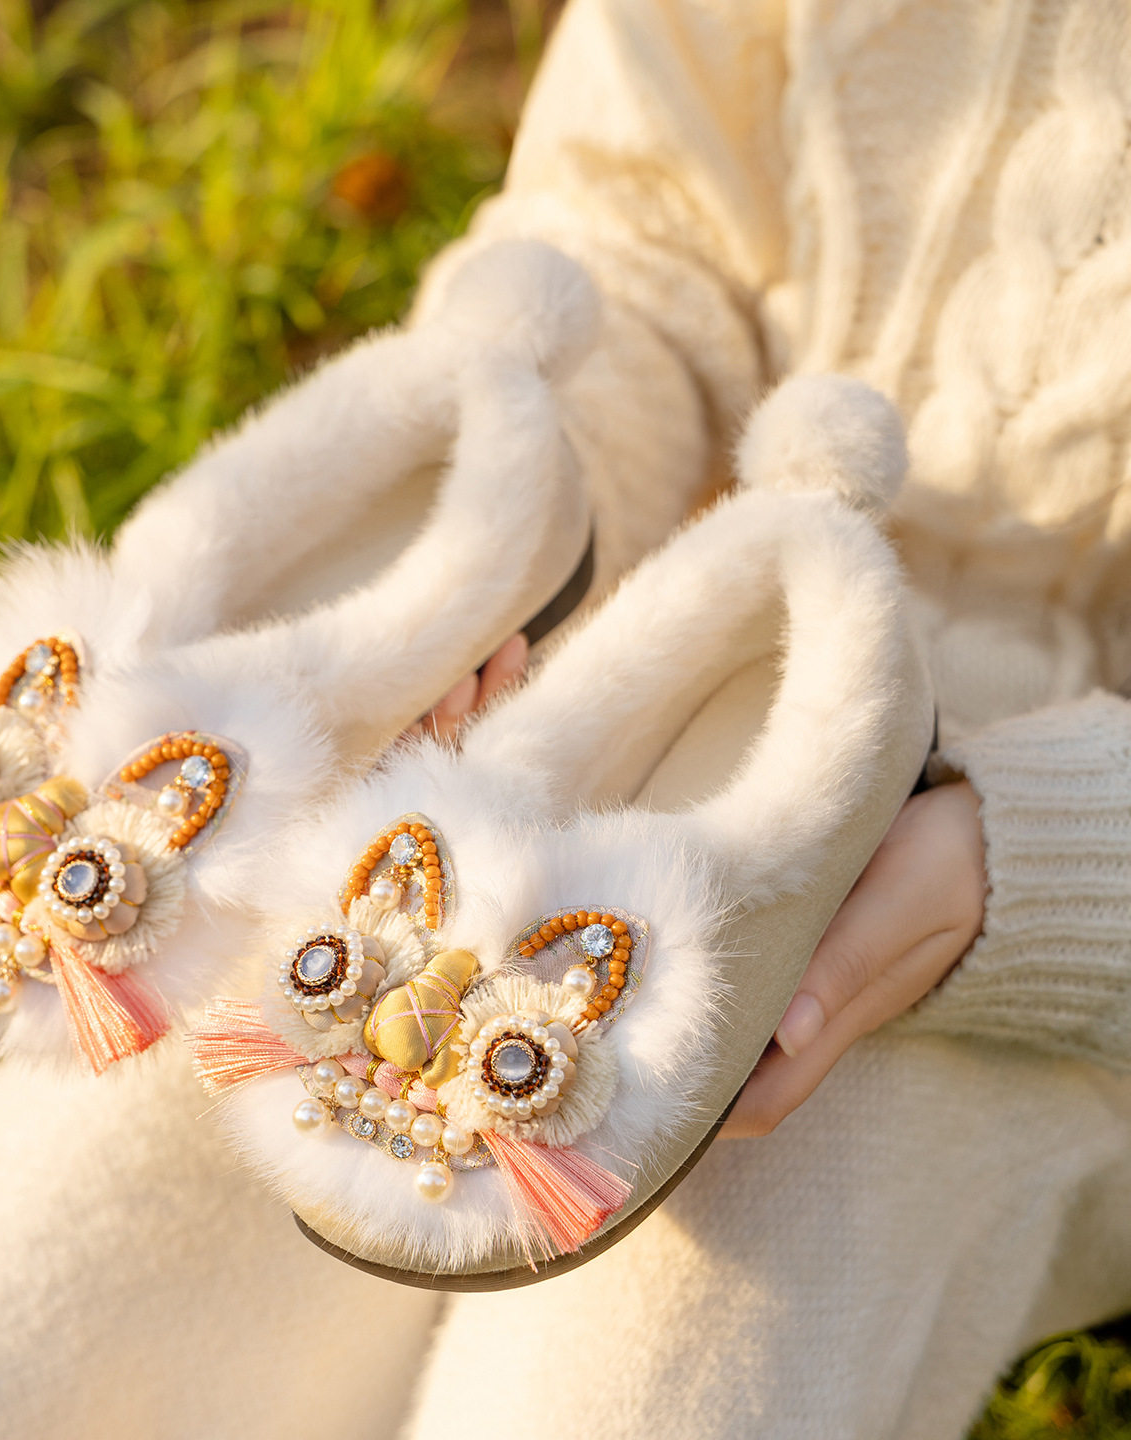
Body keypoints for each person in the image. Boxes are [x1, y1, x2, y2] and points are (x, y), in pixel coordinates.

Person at [390, 1, 1131, 1435]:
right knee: (183, 1147)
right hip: (679, 670)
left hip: (1066, 911)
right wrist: (520, 518)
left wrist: (1045, 864)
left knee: (681, 1305)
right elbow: (641, 228)